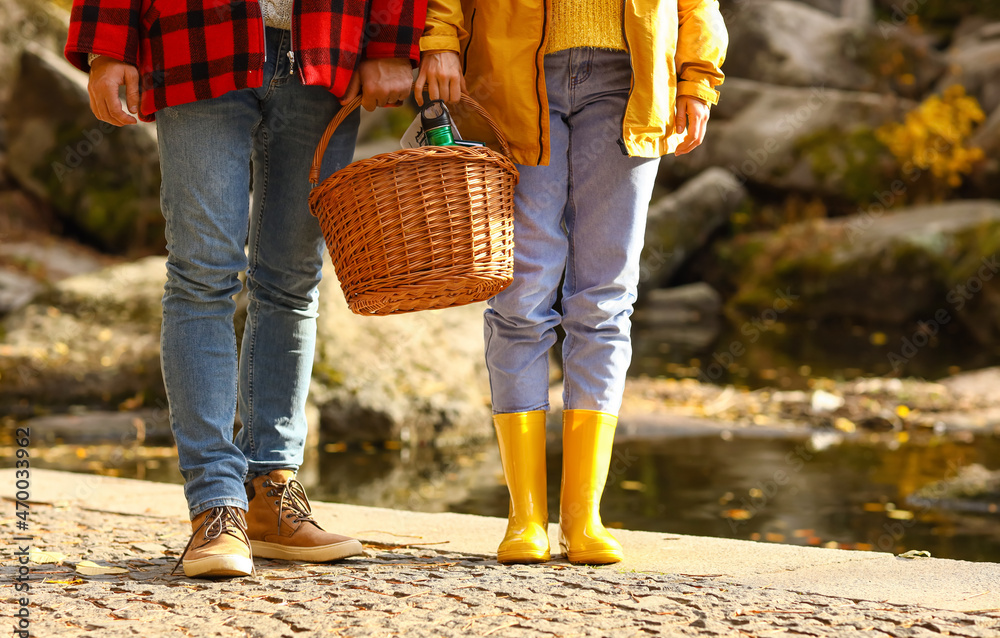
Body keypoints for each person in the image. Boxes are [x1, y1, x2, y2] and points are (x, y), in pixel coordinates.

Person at [65, 0, 426, 578]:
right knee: (201, 275)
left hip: (326, 42)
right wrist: (110, 46)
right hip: (197, 35)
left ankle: (271, 492)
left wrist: (388, 43)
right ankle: (216, 505)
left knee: (293, 279)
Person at [415, 0, 727, 564]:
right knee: (520, 293)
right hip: (513, 73)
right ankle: (526, 515)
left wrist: (698, 77)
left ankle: (583, 517)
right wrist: (440, 36)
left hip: (632, 75)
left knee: (605, 299)